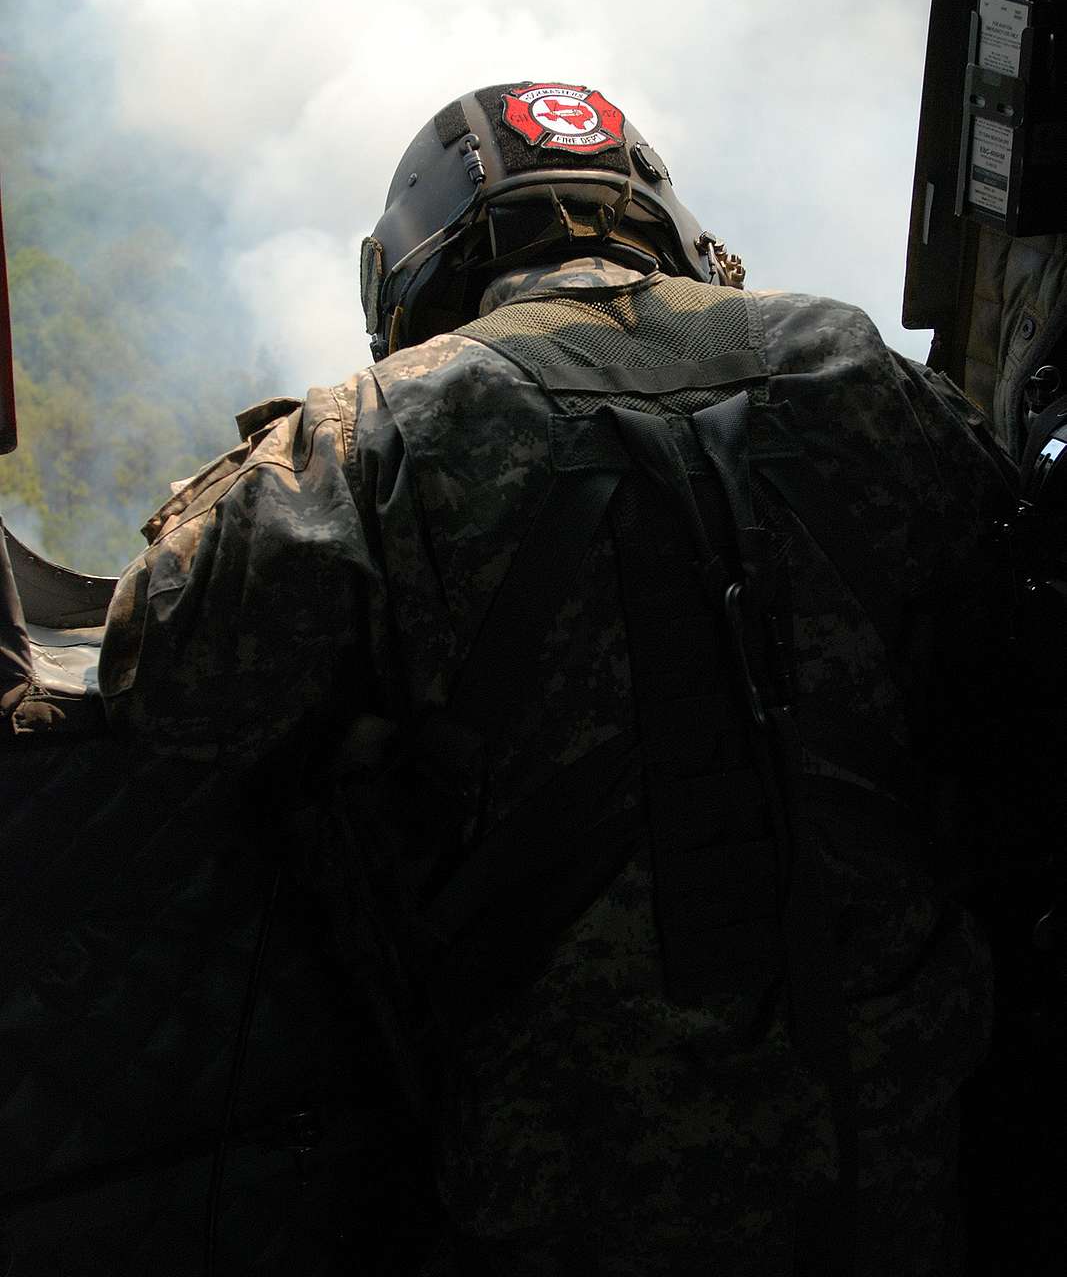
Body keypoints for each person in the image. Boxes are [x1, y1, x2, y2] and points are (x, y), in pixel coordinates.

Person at [99, 80, 1016, 1277]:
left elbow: (165, 673)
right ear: (661, 222)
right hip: (893, 1117)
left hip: (581, 1159)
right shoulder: (854, 365)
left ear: (411, 271)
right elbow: (1009, 616)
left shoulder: (380, 429)